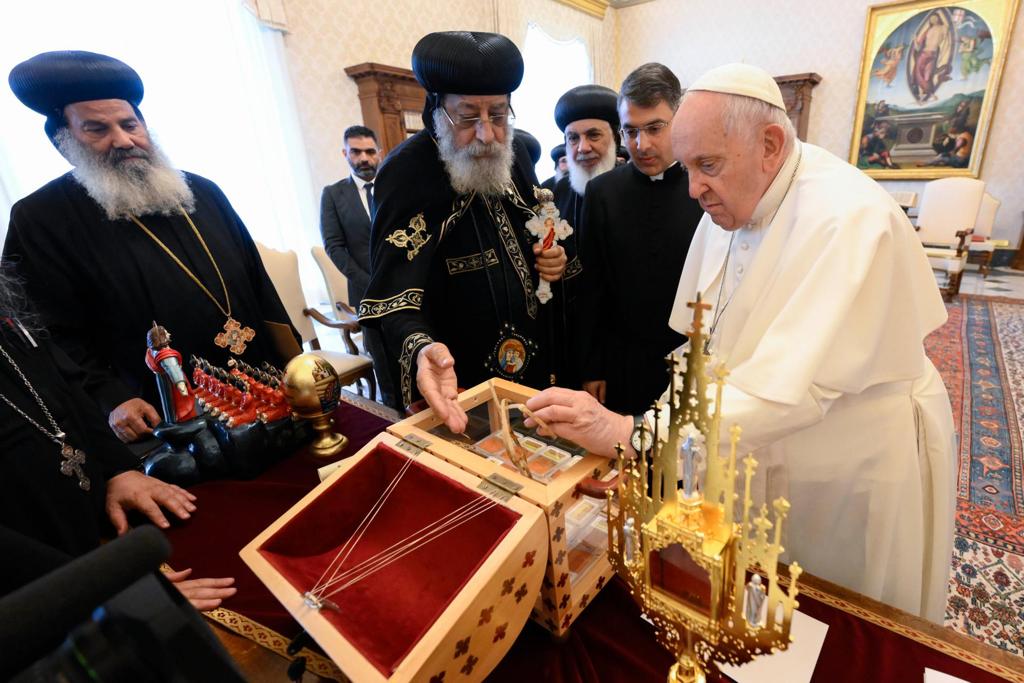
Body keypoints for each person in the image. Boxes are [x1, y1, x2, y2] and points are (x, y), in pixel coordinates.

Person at [525, 63, 955, 623]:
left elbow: (791, 393)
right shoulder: (729, 201)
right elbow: (705, 340)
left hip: (849, 455)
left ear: (770, 145)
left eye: (707, 165)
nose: (692, 186)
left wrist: (630, 433)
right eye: (689, 166)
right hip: (756, 440)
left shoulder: (847, 220)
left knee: (837, 611)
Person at [4, 51, 299, 444]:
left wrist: (294, 361)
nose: (123, 140)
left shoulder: (202, 192)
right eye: (97, 129)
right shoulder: (41, 217)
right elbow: (46, 335)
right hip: (156, 414)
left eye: (130, 124)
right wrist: (111, 398)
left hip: (265, 393)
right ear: (64, 141)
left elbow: (258, 285)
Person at [358, 31, 566, 419]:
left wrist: (553, 258)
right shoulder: (406, 172)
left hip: (537, 368)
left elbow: (538, 226)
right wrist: (422, 349)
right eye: (469, 117)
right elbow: (393, 298)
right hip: (460, 379)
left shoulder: (515, 150)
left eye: (499, 115)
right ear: (438, 110)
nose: (488, 134)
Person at [0, 270, 234, 610]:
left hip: (99, 538)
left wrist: (116, 470)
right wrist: (94, 587)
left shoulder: (8, 323)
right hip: (44, 599)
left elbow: (67, 388)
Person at [576, 63, 703, 414]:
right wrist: (592, 366)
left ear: (679, 119)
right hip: (622, 364)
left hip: (690, 363)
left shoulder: (705, 188)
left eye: (654, 128)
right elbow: (592, 287)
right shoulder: (601, 192)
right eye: (630, 131)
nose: (641, 144)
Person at [319, 124, 396, 406]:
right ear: (345, 153)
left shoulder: (396, 187)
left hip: (404, 286)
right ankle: (396, 419)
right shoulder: (333, 195)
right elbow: (334, 247)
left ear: (379, 152)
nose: (363, 158)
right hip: (367, 292)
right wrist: (369, 280)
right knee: (385, 366)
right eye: (355, 152)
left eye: (369, 151)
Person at [549, 84, 620, 389]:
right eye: (573, 138)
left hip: (616, 352)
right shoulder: (552, 196)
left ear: (614, 137)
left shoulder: (630, 190)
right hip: (563, 349)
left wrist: (598, 362)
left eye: (593, 135)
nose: (583, 147)